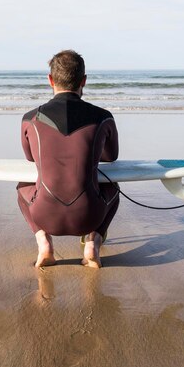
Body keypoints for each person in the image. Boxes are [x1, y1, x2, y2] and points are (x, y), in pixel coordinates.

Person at [17, 50, 120, 268]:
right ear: (84, 81)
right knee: (114, 188)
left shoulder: (30, 119)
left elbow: (30, 157)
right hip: (89, 216)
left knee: (22, 187)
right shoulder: (103, 117)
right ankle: (93, 243)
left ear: (50, 80)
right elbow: (111, 157)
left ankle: (43, 242)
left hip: (45, 216)